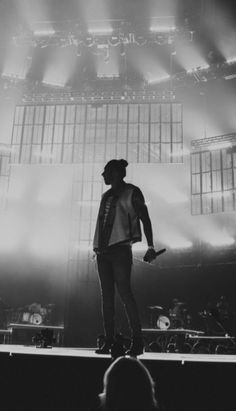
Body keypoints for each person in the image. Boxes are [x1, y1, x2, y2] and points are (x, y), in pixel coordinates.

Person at [93, 159, 157, 356]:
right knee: (107, 298)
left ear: (116, 173)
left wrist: (151, 246)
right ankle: (109, 340)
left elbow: (145, 218)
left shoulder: (132, 192)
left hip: (120, 249)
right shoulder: (106, 196)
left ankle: (138, 341)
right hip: (102, 252)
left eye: (106, 172)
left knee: (125, 294)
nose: (103, 175)